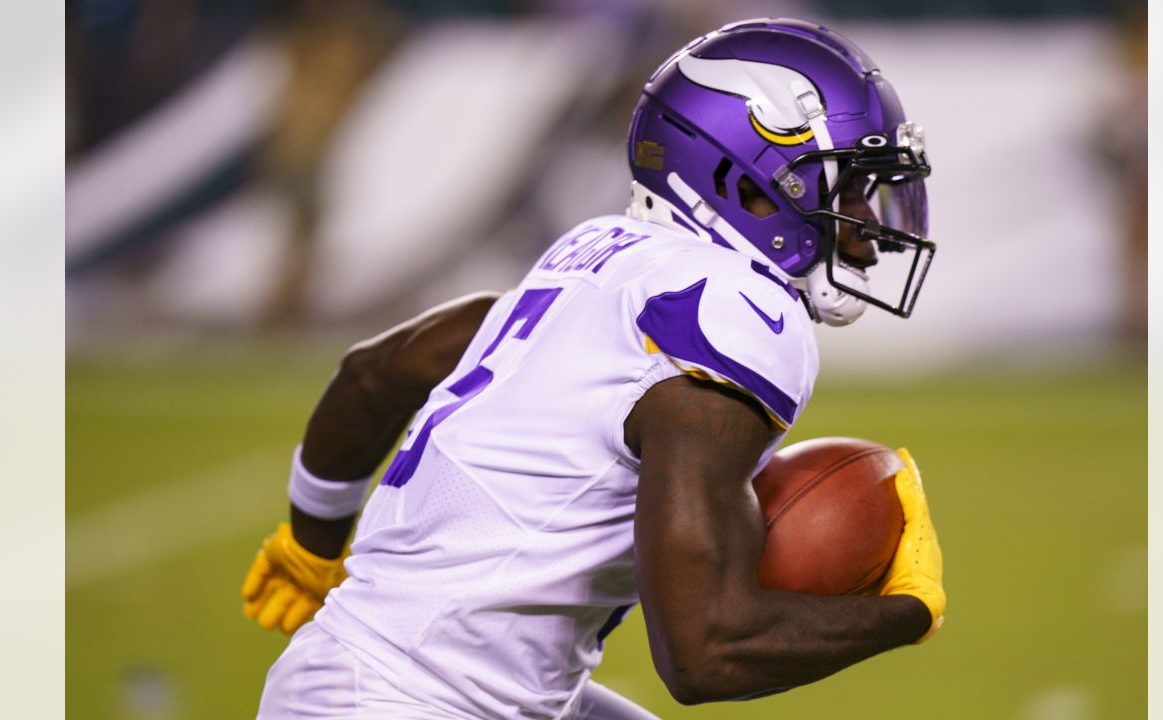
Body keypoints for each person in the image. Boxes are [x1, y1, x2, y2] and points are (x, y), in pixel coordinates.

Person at [242, 18, 945, 719]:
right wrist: (905, 610)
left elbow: (377, 374)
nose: (865, 233)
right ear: (751, 183)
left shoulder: (607, 252)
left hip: (360, 674)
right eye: (845, 188)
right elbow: (707, 651)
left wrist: (312, 546)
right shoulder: (737, 311)